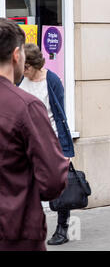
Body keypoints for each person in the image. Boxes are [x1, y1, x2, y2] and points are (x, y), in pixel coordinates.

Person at [0, 18, 68, 251]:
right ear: (16, 55)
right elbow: (52, 181)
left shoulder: (46, 84)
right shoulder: (24, 106)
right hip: (14, 229)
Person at [18, 43, 75, 246]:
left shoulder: (51, 80)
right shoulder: (19, 80)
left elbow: (60, 115)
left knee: (59, 185)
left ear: (34, 64)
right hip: (25, 142)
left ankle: (62, 228)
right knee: (26, 184)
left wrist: (65, 149)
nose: (23, 71)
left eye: (26, 67)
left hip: (51, 141)